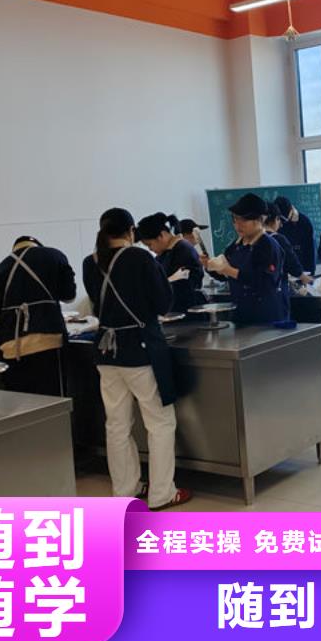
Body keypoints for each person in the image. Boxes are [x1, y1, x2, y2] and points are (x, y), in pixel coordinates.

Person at [83, 208, 191, 511]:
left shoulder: (91, 262)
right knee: (160, 422)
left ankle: (125, 490)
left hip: (106, 351)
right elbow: (163, 302)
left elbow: (96, 304)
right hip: (140, 350)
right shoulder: (140, 257)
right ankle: (162, 493)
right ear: (131, 231)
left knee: (117, 424)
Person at [0, 236, 76, 396]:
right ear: (38, 245)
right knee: (53, 400)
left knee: (23, 401)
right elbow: (69, 296)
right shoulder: (54, 256)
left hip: (11, 346)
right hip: (47, 340)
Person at [206, 193, 286, 324]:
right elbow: (223, 276)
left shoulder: (267, 245)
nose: (238, 225)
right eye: (235, 219)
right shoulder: (236, 245)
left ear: (260, 219)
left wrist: (229, 271)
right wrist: (210, 266)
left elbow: (265, 282)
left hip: (265, 316)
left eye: (243, 220)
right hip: (241, 313)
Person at [137, 212, 207, 313]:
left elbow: (182, 284)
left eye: (150, 244)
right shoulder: (164, 254)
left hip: (189, 310)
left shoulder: (183, 249)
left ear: (161, 235)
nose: (150, 249)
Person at [265, 203, 312, 285]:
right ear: (276, 219)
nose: (281, 225)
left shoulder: (252, 239)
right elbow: (291, 261)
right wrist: (303, 276)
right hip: (276, 285)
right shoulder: (278, 239)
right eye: (279, 220)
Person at [274, 195, 315, 274]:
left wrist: (311, 272)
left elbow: (310, 250)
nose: (281, 224)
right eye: (280, 219)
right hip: (284, 269)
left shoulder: (304, 222)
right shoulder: (276, 223)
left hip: (303, 267)